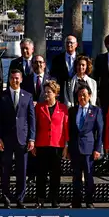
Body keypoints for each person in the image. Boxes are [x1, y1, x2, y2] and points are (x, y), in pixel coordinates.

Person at [0, 68, 36, 208]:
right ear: (9, 79)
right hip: (5, 140)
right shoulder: (1, 96)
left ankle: (20, 199)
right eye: (12, 78)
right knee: (5, 170)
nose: (15, 80)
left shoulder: (28, 96)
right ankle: (6, 198)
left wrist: (31, 138)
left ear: (21, 79)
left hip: (22, 139)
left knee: (21, 170)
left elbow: (31, 119)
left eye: (17, 78)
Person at [66, 85, 104, 208]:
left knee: (88, 176)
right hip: (75, 148)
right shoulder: (72, 111)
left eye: (84, 94)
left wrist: (98, 149)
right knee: (76, 177)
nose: (82, 97)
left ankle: (89, 201)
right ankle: (76, 201)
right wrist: (68, 148)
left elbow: (100, 131)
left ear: (89, 96)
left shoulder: (95, 110)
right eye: (80, 95)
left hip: (89, 148)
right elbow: (69, 130)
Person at [32, 79, 68, 208]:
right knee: (41, 174)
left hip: (57, 145)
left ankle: (54, 200)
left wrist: (66, 146)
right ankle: (40, 199)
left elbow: (66, 128)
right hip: (42, 145)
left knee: (55, 175)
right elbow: (34, 126)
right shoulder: (39, 107)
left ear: (55, 93)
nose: (46, 94)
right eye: (45, 92)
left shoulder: (63, 108)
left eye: (49, 92)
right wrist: (34, 144)